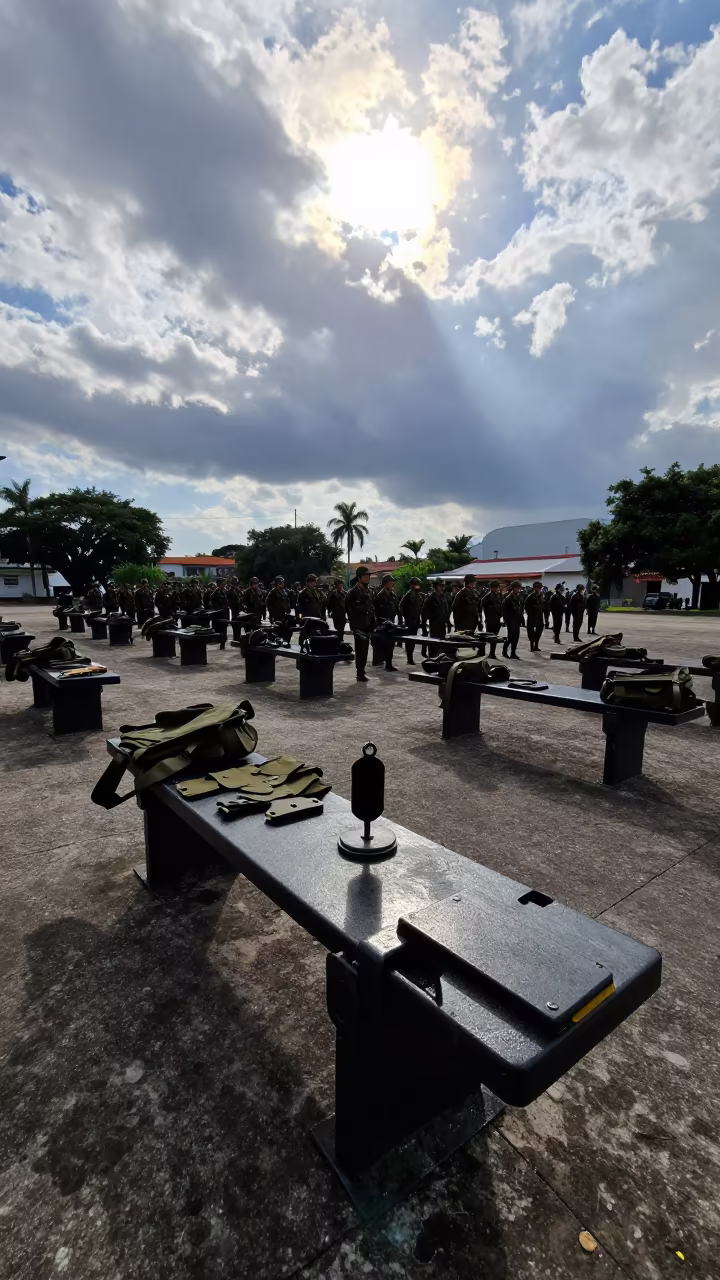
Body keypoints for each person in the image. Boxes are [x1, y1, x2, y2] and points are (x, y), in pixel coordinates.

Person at [345, 565, 375, 682]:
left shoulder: (369, 591)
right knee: (360, 650)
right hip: (358, 626)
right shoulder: (352, 592)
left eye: (368, 576)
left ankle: (362, 671)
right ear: (359, 577)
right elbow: (348, 608)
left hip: (367, 625)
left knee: (365, 650)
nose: (368, 578)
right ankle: (359, 673)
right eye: (365, 576)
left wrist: (373, 621)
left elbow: (372, 607)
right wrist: (355, 624)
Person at [374, 574, 399, 672]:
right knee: (385, 645)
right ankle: (386, 664)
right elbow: (377, 610)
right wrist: (380, 623)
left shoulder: (393, 594)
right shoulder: (380, 595)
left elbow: (396, 608)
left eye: (392, 582)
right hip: (383, 624)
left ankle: (389, 663)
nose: (391, 583)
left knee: (391, 644)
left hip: (391, 623)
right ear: (385, 583)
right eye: (390, 582)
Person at [399, 576, 424, 665]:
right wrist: (405, 618)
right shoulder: (408, 595)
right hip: (410, 621)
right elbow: (401, 606)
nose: (418, 586)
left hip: (416, 620)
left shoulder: (418, 595)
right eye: (416, 584)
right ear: (412, 585)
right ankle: (409, 658)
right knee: (409, 640)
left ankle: (410, 657)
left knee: (413, 639)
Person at [422, 579, 450, 653]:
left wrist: (447, 621)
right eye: (440, 586)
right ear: (435, 586)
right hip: (434, 626)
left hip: (442, 626)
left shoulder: (443, 597)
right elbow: (425, 612)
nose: (442, 588)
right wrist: (434, 617)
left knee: (442, 647)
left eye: (443, 586)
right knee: (434, 646)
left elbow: (446, 610)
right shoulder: (431, 598)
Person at [266, 575, 294, 642]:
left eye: (282, 583)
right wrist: (271, 614)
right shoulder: (273, 592)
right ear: (276, 584)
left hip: (283, 614)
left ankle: (284, 642)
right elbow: (268, 604)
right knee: (276, 631)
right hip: (276, 615)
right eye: (280, 583)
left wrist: (288, 609)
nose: (282, 585)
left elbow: (287, 601)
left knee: (285, 629)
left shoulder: (283, 591)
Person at [502, 580, 524, 659]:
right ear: (513, 588)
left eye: (519, 588)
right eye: (517, 588)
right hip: (511, 620)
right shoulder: (508, 598)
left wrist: (522, 620)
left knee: (516, 637)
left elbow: (520, 609)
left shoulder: (518, 596)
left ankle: (513, 653)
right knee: (510, 637)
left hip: (516, 619)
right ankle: (504, 652)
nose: (519, 589)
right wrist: (506, 621)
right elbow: (504, 610)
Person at [524, 580, 545, 651]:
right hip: (532, 616)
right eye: (538, 587)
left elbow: (542, 605)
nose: (539, 589)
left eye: (540, 588)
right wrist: (530, 612)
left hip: (539, 616)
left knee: (539, 630)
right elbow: (526, 606)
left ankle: (536, 645)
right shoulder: (530, 596)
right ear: (534, 588)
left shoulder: (541, 595)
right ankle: (531, 646)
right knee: (531, 631)